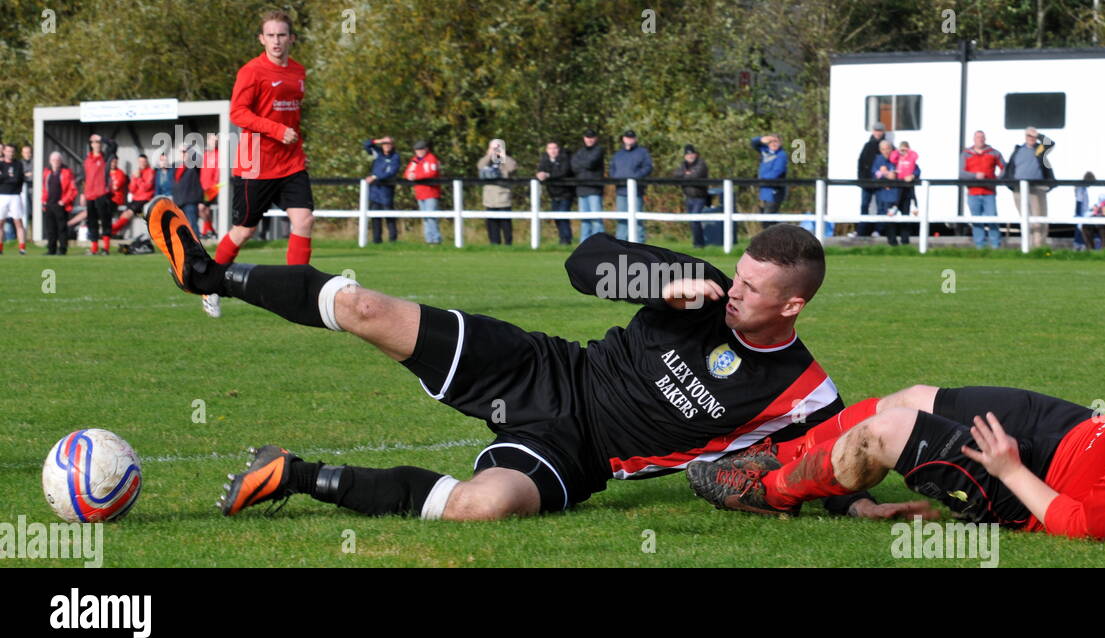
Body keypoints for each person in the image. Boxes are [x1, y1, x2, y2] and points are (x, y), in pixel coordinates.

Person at [144, 201, 845, 521]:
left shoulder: (804, 391)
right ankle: (209, 276)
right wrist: (657, 282)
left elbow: (833, 464)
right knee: (364, 308)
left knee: (482, 508)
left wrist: (871, 508)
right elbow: (584, 261)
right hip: (543, 369)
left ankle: (293, 474)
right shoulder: (698, 284)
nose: (735, 290)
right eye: (740, 275)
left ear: (792, 308)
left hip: (576, 453)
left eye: (754, 290)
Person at [689, 321, 1105, 541]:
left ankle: (766, 493)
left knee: (889, 430)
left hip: (1027, 486)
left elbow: (1079, 526)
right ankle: (780, 456)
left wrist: (1010, 468)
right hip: (1076, 431)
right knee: (912, 397)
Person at [209, 9, 318, 319]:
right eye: (270, 35)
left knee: (304, 220)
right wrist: (276, 130)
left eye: (282, 35)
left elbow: (292, 117)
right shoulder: (251, 71)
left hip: (291, 163)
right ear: (261, 39)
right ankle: (211, 285)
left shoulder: (299, 72)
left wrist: (296, 143)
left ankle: (298, 294)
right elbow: (238, 114)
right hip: (254, 165)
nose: (276, 41)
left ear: (292, 38)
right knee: (244, 232)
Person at [1003, 127, 1054, 249]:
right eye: (1029, 136)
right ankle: (1027, 246)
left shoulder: (1039, 150)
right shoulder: (1018, 151)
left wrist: (1039, 135)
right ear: (1025, 137)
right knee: (1025, 218)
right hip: (1019, 189)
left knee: (1038, 218)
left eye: (1033, 137)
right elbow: (1010, 169)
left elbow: (1051, 143)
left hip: (1036, 189)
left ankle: (1038, 246)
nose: (1031, 139)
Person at [960, 131, 1005, 250]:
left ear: (985, 139)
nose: (980, 139)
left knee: (992, 218)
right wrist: (975, 176)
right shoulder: (966, 154)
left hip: (989, 192)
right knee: (976, 220)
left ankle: (996, 245)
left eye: (981, 137)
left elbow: (1004, 168)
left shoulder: (994, 153)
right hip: (973, 193)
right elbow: (961, 173)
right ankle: (980, 246)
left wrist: (995, 180)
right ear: (973, 139)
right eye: (977, 137)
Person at [609, 130, 652, 241]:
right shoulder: (618, 154)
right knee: (622, 219)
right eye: (627, 137)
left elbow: (648, 167)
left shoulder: (642, 152)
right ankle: (621, 245)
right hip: (621, 191)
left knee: (637, 219)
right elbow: (612, 169)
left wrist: (635, 177)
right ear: (623, 139)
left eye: (632, 137)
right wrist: (615, 178)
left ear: (635, 139)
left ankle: (639, 245)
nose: (629, 139)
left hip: (636, 191)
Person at [477, 138, 517, 245]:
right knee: (491, 224)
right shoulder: (486, 161)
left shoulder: (506, 160)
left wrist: (502, 155)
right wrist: (489, 155)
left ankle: (508, 244)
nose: (495, 150)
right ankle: (494, 244)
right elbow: (480, 166)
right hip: (489, 199)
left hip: (503, 198)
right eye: (493, 148)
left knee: (506, 224)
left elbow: (512, 168)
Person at [363, 136, 401, 244]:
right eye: (384, 144)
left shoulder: (395, 157)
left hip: (386, 191)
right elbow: (366, 144)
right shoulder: (378, 153)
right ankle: (376, 240)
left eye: (389, 144)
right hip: (375, 191)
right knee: (375, 216)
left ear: (393, 145)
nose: (386, 146)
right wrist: (378, 140)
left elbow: (391, 172)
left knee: (389, 215)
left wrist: (375, 177)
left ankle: (393, 240)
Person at [535, 140, 574, 245]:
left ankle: (566, 240)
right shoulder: (545, 160)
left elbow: (563, 172)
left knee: (563, 217)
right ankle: (562, 239)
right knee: (557, 218)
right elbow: (540, 171)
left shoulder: (565, 159)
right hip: (553, 194)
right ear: (547, 150)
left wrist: (548, 175)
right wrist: (539, 174)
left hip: (565, 194)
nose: (552, 150)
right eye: (550, 148)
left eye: (554, 148)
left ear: (558, 149)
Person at [671, 144, 710, 247]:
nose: (690, 156)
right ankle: (698, 243)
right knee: (692, 221)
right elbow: (675, 175)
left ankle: (699, 244)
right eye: (688, 155)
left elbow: (696, 175)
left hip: (699, 197)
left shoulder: (701, 163)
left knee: (695, 220)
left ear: (696, 154)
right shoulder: (683, 165)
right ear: (684, 156)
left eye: (692, 154)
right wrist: (686, 174)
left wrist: (686, 175)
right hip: (688, 197)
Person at [82, 134, 115, 255]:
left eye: (98, 142)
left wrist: (102, 138)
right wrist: (83, 193)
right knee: (92, 222)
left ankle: (106, 248)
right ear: (91, 145)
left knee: (105, 221)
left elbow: (113, 145)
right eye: (94, 142)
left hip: (102, 193)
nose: (96, 144)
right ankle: (94, 248)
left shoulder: (105, 158)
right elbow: (85, 178)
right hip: (90, 195)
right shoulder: (87, 160)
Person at [404, 140, 442, 245]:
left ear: (426, 149)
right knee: (425, 218)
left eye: (421, 149)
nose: (419, 152)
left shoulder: (431, 158)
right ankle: (428, 240)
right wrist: (410, 176)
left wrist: (416, 176)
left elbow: (431, 173)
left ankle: (436, 240)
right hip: (420, 193)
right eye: (417, 150)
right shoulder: (415, 160)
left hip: (431, 192)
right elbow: (407, 172)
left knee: (431, 217)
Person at [570, 129, 605, 242]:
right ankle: (584, 243)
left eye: (591, 137)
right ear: (584, 138)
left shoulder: (599, 150)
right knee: (584, 219)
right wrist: (584, 164)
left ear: (596, 138)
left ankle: (599, 242)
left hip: (594, 189)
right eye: (587, 137)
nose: (589, 139)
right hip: (581, 189)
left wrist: (582, 164)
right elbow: (573, 165)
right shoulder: (580, 151)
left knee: (596, 218)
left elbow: (591, 163)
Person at [871, 140, 906, 246]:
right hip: (883, 193)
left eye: (888, 148)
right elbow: (874, 173)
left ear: (891, 149)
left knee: (898, 216)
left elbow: (907, 169)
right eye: (883, 149)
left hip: (897, 193)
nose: (886, 151)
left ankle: (902, 242)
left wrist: (895, 174)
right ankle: (891, 241)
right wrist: (885, 174)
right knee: (885, 215)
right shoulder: (878, 160)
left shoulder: (897, 158)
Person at [856, 122, 887, 237]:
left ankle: (879, 230)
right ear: (873, 131)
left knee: (881, 207)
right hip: (867, 182)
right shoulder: (867, 145)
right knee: (864, 205)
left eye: (880, 130)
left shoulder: (887, 146)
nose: (878, 133)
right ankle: (862, 231)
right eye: (876, 130)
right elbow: (861, 162)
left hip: (880, 182)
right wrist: (861, 179)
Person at [42, 151, 76, 256]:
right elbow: (44, 188)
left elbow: (72, 189)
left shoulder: (67, 172)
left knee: (62, 228)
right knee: (50, 228)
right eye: (53, 160)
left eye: (57, 160)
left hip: (61, 205)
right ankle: (51, 249)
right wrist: (43, 200)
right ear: (50, 161)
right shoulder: (47, 172)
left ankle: (62, 249)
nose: (55, 162)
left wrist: (64, 201)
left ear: (61, 161)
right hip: (49, 204)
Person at [116, 154, 155, 237]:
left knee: (128, 213)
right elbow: (132, 189)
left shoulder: (150, 172)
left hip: (145, 199)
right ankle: (115, 233)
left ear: (146, 162)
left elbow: (146, 188)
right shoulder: (137, 172)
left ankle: (111, 231)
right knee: (124, 214)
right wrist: (135, 178)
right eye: (140, 161)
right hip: (136, 199)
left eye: (143, 161)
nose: (142, 163)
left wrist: (139, 178)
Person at [752, 134, 788, 215]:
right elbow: (753, 143)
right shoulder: (765, 152)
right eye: (771, 141)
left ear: (780, 143)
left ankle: (785, 227)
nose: (773, 144)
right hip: (764, 191)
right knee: (764, 218)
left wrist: (761, 179)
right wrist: (761, 139)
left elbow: (777, 171)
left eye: (776, 141)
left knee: (769, 217)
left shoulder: (781, 155)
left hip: (774, 192)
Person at [0, 144, 26, 255]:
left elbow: (17, 179)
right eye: (8, 151)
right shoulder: (0, 164)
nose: (10, 153)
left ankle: (22, 248)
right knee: (1, 222)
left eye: (12, 151)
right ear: (4, 152)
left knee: (18, 222)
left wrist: (5, 177)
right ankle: (0, 248)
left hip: (15, 195)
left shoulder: (18, 164)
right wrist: (8, 177)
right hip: (2, 195)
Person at [198, 133, 221, 238]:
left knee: (201, 208)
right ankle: (210, 231)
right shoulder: (206, 154)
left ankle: (206, 231)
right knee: (204, 209)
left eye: (215, 140)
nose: (214, 142)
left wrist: (214, 186)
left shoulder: (219, 154)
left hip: (213, 188)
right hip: (203, 187)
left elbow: (218, 172)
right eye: (212, 140)